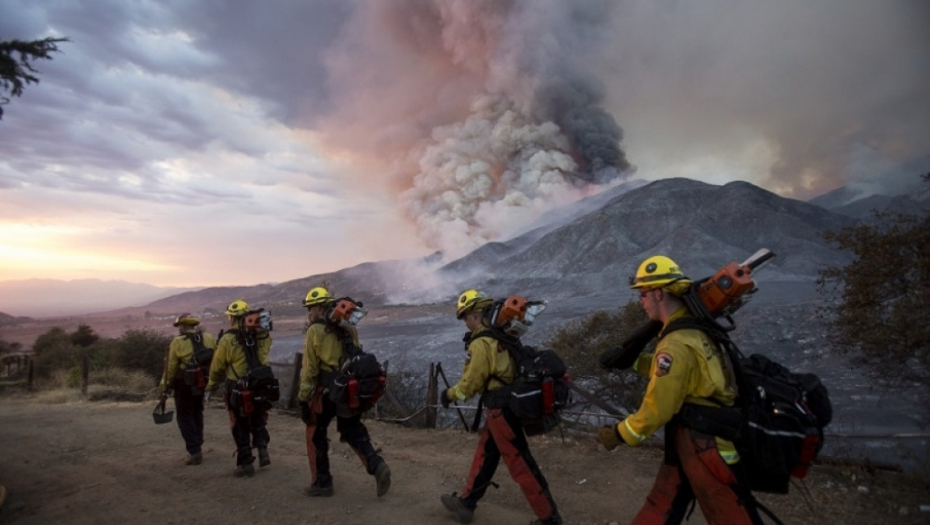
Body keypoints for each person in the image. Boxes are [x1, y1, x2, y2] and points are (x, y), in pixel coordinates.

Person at [595, 255, 763, 525]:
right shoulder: (694, 330)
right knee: (660, 507)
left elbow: (657, 408)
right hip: (696, 443)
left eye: (643, 294)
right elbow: (679, 374)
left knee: (732, 516)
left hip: (705, 448)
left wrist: (619, 433)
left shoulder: (675, 344)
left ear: (659, 294)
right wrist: (631, 361)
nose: (641, 301)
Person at [440, 289, 562, 525]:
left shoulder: (481, 342)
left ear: (475, 314)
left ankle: (549, 519)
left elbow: (470, 385)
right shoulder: (503, 336)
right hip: (506, 406)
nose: (465, 323)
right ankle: (466, 503)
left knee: (520, 463)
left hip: (501, 411)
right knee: (486, 454)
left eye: (465, 317)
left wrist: (449, 394)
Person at [297, 286, 391, 498]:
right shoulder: (349, 328)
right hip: (348, 390)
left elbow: (310, 370)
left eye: (310, 308)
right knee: (351, 429)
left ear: (318, 308)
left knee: (315, 432)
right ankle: (377, 465)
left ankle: (322, 483)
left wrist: (303, 399)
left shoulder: (314, 331)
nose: (309, 313)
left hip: (324, 392)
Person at [206, 299, 273, 478]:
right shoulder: (261, 336)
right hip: (260, 385)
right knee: (258, 419)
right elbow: (265, 351)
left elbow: (218, 366)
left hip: (237, 387)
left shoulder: (228, 339)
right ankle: (262, 449)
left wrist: (211, 386)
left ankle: (245, 463)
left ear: (233, 318)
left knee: (239, 424)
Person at [156, 313, 216, 465]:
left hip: (184, 384)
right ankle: (198, 443)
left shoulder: (178, 342)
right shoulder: (209, 338)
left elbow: (170, 368)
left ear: (183, 326)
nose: (179, 329)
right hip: (202, 382)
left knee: (184, 416)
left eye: (179, 326)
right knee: (197, 412)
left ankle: (194, 451)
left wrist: (163, 388)